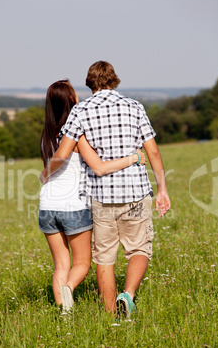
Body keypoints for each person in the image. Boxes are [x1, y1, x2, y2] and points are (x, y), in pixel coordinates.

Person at [40, 64, 171, 317]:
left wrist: (44, 174)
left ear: (90, 84)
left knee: (104, 259)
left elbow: (62, 153)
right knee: (139, 249)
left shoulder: (80, 110)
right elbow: (152, 151)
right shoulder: (135, 106)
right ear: (114, 80)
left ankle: (111, 316)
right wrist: (162, 188)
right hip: (135, 192)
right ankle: (128, 295)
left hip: (101, 198)